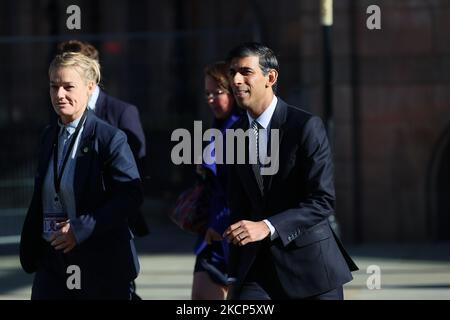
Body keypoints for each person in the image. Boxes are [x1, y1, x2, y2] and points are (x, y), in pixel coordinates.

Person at [223, 42, 358, 300]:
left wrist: (267, 226)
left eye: (245, 72)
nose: (236, 80)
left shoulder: (306, 126)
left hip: (312, 271)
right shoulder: (234, 135)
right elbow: (238, 207)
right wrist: (233, 275)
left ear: (270, 77)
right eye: (232, 73)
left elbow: (322, 200)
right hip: (256, 272)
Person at [20, 52, 143, 299]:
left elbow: (130, 195)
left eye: (68, 87)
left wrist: (81, 228)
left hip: (97, 260)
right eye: (54, 87)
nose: (59, 95)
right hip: (52, 260)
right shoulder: (48, 136)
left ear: (89, 88)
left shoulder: (109, 138)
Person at [57, 40, 148, 299]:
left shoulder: (118, 117)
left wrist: (89, 224)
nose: (61, 92)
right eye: (56, 84)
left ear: (90, 79)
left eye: (69, 82)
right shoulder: (54, 127)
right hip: (61, 245)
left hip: (106, 232)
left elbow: (133, 177)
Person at [191, 61, 241, 300]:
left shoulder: (238, 129)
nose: (210, 99)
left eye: (217, 93)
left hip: (227, 233)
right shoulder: (219, 125)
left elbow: (238, 189)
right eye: (207, 93)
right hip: (213, 232)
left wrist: (220, 225)